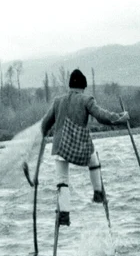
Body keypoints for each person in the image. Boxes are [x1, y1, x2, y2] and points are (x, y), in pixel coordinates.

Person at [41, 69, 129, 226]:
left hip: (60, 148)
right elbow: (102, 116)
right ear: (83, 87)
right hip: (78, 147)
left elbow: (45, 124)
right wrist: (120, 118)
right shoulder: (86, 99)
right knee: (93, 159)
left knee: (62, 181)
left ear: (70, 86)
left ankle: (64, 214)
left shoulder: (58, 101)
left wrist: (40, 137)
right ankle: (98, 193)